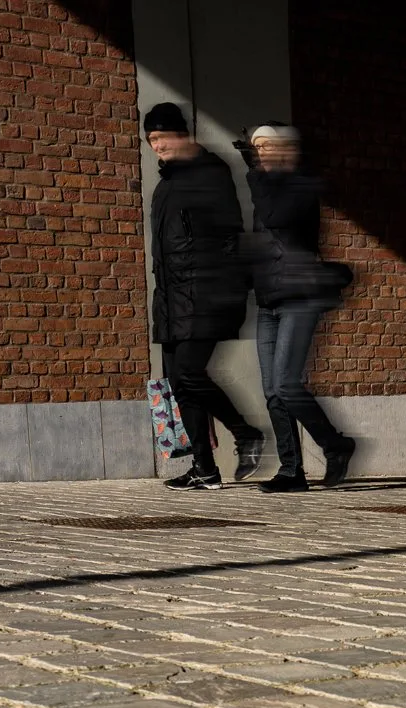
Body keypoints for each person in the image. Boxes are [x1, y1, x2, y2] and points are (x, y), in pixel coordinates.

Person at [142, 102, 264, 490]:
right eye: (151, 139)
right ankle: (205, 468)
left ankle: (246, 433)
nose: (157, 145)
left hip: (205, 293)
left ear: (182, 134)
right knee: (180, 383)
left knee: (190, 374)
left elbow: (230, 234)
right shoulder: (164, 186)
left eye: (163, 136)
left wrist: (232, 288)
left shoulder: (210, 172)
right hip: (172, 299)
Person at [240, 123, 355, 491]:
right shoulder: (266, 188)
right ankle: (291, 472)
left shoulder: (300, 184)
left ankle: (335, 445)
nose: (260, 153)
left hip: (299, 298)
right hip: (269, 301)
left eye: (266, 146)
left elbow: (277, 218)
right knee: (272, 391)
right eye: (256, 147)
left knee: (287, 385)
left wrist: (255, 177)